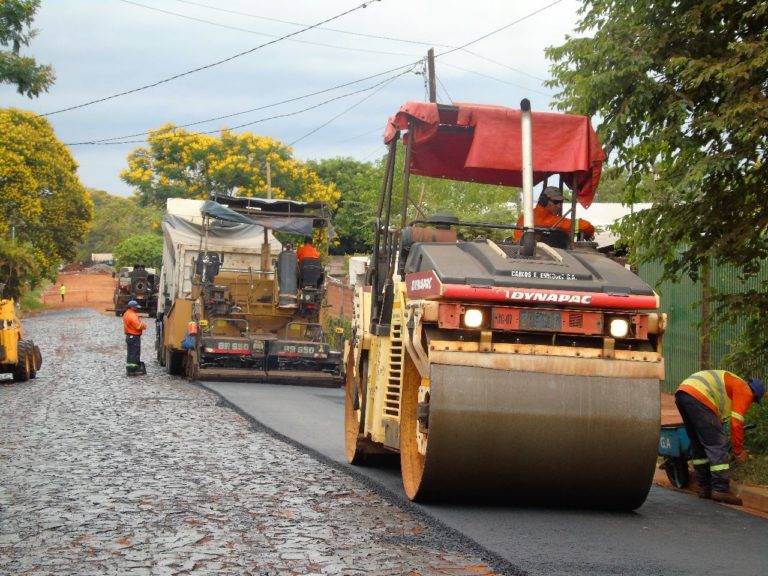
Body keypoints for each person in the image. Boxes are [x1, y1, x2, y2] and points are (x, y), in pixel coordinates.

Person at [674, 370, 765, 505]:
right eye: (754, 401)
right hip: (698, 395)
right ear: (754, 394)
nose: (750, 403)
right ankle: (720, 489)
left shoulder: (731, 387)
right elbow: (736, 424)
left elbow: (718, 420)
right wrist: (738, 452)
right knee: (716, 444)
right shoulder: (745, 390)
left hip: (683, 394)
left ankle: (704, 487)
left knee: (698, 443)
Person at [513, 186, 595, 243]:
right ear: (544, 201)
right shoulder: (550, 221)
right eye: (556, 202)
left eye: (561, 202)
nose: (559, 206)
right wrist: (588, 235)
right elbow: (586, 226)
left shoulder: (525, 216)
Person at [123, 300, 147, 376]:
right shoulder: (132, 316)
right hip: (134, 336)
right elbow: (138, 326)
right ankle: (133, 370)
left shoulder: (127, 313)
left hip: (130, 336)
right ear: (132, 307)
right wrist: (144, 325)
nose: (137, 308)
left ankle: (130, 369)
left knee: (130, 353)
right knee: (135, 353)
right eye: (136, 307)